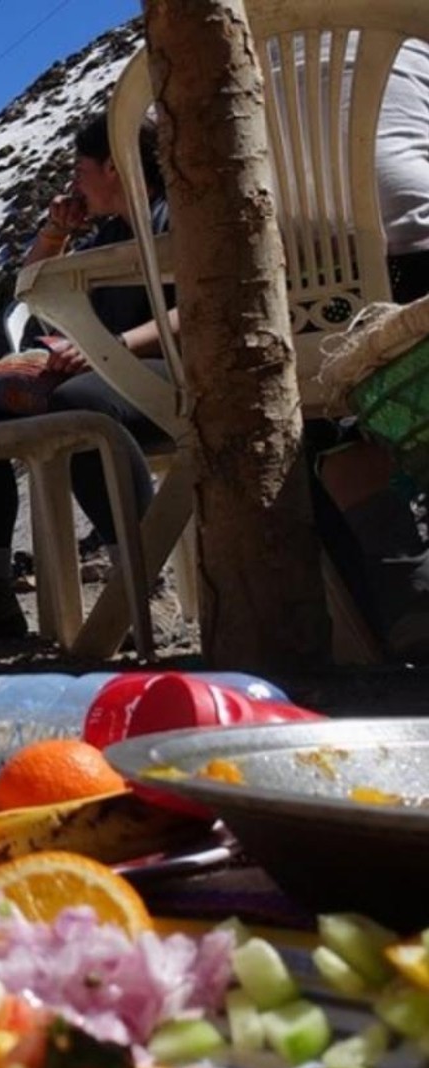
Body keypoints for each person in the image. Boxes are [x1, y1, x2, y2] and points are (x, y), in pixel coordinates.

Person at [0, 112, 177, 646]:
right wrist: (56, 232)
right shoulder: (110, 233)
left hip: (171, 372)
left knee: (78, 407)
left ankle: (142, 583)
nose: (74, 182)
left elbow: (199, 307)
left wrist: (111, 347)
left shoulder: (176, 215)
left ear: (112, 167)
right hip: (110, 371)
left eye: (80, 168)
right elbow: (32, 290)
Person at [310, 37, 429, 659]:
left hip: (309, 302)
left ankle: (400, 593)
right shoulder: (406, 27)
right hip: (422, 258)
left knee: (319, 430)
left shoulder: (232, 52)